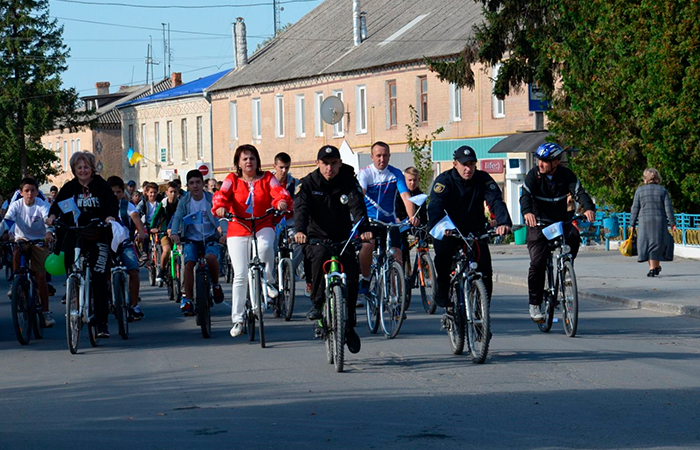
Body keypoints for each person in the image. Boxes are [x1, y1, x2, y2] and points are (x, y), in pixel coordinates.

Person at [294, 145, 371, 354]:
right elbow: (301, 209)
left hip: (343, 237)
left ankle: (350, 327)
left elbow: (357, 205)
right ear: (318, 163)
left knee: (352, 275)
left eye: (334, 163)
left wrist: (363, 229)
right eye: (325, 163)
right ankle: (318, 304)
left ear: (339, 163)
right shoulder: (308, 184)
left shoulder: (348, 179)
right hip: (317, 237)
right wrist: (300, 230)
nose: (330, 168)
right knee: (319, 258)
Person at [213, 144, 292, 338]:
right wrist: (221, 207)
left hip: (263, 223)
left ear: (258, 161)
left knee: (266, 248)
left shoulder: (267, 178)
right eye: (245, 159)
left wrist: (280, 202)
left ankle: (267, 281)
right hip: (238, 227)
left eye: (252, 158)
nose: (249, 162)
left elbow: (279, 192)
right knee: (240, 274)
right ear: (238, 163)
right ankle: (238, 320)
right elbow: (220, 195)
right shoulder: (232, 180)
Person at [428, 146, 512, 309]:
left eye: (472, 164)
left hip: (474, 230)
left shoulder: (483, 179)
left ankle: (483, 311)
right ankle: (443, 287)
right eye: (464, 164)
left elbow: (495, 200)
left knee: (485, 269)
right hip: (449, 230)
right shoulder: (444, 181)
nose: (468, 168)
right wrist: (441, 226)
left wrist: (503, 223)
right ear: (455, 164)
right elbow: (436, 205)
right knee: (443, 255)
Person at [520, 143, 595, 322]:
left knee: (574, 236)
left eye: (545, 161)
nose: (540, 164)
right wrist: (527, 212)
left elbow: (580, 193)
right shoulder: (534, 175)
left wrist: (588, 208)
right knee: (537, 263)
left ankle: (567, 268)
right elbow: (525, 196)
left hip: (560, 222)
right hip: (538, 223)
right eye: (539, 160)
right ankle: (535, 303)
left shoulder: (566, 175)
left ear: (556, 162)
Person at [47, 151, 119, 338]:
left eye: (86, 167)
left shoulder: (100, 185)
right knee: (71, 270)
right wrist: (52, 217)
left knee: (99, 277)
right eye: (79, 167)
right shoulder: (69, 187)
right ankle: (75, 296)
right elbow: (57, 206)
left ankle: (102, 323)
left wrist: (110, 217)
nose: (83, 170)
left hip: (97, 233)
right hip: (75, 233)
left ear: (92, 168)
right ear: (74, 169)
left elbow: (112, 204)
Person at [357, 141, 419, 305]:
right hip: (370, 221)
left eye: (385, 155)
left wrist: (411, 216)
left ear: (389, 156)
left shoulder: (396, 173)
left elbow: (406, 196)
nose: (382, 159)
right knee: (367, 246)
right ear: (372, 157)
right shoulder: (365, 174)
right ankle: (365, 277)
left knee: (396, 255)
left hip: (389, 221)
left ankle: (395, 296)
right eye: (378, 155)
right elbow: (361, 193)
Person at [0, 178, 56, 327]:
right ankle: (16, 281)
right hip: (22, 239)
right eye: (26, 191)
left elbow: (47, 220)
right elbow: (7, 221)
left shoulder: (41, 205)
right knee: (17, 250)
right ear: (21, 193)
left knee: (41, 276)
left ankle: (45, 312)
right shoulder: (16, 205)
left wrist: (49, 233)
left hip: (39, 241)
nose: (29, 194)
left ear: (37, 192)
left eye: (32, 190)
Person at [171, 170, 225, 316]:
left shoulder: (211, 199)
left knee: (211, 258)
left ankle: (216, 285)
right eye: (191, 183)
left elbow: (221, 217)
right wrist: (175, 233)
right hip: (191, 239)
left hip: (210, 238)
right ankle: (188, 299)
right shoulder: (184, 201)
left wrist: (223, 233)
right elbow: (177, 218)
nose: (195, 186)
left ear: (203, 184)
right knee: (188, 262)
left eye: (198, 182)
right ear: (188, 186)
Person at [106, 176, 147, 321]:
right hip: (107, 245)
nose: (116, 195)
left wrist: (141, 232)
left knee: (133, 270)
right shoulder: (102, 206)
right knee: (101, 272)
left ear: (123, 193)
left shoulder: (127, 206)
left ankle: (134, 305)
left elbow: (135, 217)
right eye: (112, 192)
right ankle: (104, 302)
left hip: (125, 243)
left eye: (118, 192)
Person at [272, 152, 311, 295]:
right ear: (274, 166)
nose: (284, 171)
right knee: (270, 244)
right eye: (281, 167)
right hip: (272, 221)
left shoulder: (294, 183)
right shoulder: (268, 182)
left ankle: (289, 269)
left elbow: (301, 202)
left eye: (286, 168)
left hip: (290, 221)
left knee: (301, 242)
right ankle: (271, 277)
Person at [630, 168, 677, 277]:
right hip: (659, 220)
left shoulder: (640, 191)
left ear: (645, 178)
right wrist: (672, 223)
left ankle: (652, 268)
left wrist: (632, 223)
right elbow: (668, 208)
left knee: (647, 244)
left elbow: (635, 208)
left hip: (644, 221)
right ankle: (655, 267)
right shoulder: (663, 190)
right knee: (657, 244)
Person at [151, 180, 180, 283]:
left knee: (181, 252)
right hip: (164, 232)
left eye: (175, 192)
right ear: (166, 192)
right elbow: (156, 216)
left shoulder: (181, 204)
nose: (173, 194)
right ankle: (162, 271)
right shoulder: (163, 204)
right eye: (171, 192)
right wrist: (152, 227)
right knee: (167, 250)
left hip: (178, 232)